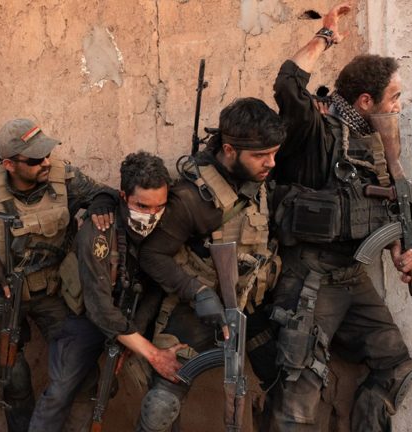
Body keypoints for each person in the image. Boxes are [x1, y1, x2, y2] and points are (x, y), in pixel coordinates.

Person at [269, 3, 412, 431]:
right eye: (393, 98)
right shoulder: (314, 133)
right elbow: (287, 84)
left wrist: (398, 250)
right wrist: (325, 37)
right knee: (298, 401)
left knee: (396, 364)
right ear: (365, 100)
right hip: (310, 280)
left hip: (352, 277)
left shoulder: (373, 144)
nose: (399, 107)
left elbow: (375, 205)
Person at [0, 118, 115, 432]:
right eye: (34, 159)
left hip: (52, 292)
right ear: (9, 164)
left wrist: (100, 203)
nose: (45, 162)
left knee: (85, 379)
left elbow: (105, 194)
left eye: (46, 154)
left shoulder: (64, 178)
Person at [137, 97, 286, 432]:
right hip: (197, 311)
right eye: (261, 155)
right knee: (161, 406)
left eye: (274, 153)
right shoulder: (191, 198)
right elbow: (152, 255)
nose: (271, 163)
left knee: (288, 383)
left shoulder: (262, 182)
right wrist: (198, 292)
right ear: (229, 150)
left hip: (250, 309)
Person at [31, 151, 183, 432]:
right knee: (60, 392)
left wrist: (136, 333)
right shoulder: (99, 231)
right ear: (124, 197)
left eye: (159, 207)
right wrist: (152, 354)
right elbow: (98, 307)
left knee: (162, 394)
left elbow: (155, 287)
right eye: (142, 206)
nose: (151, 215)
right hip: (86, 317)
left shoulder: (165, 226)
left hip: (133, 317)